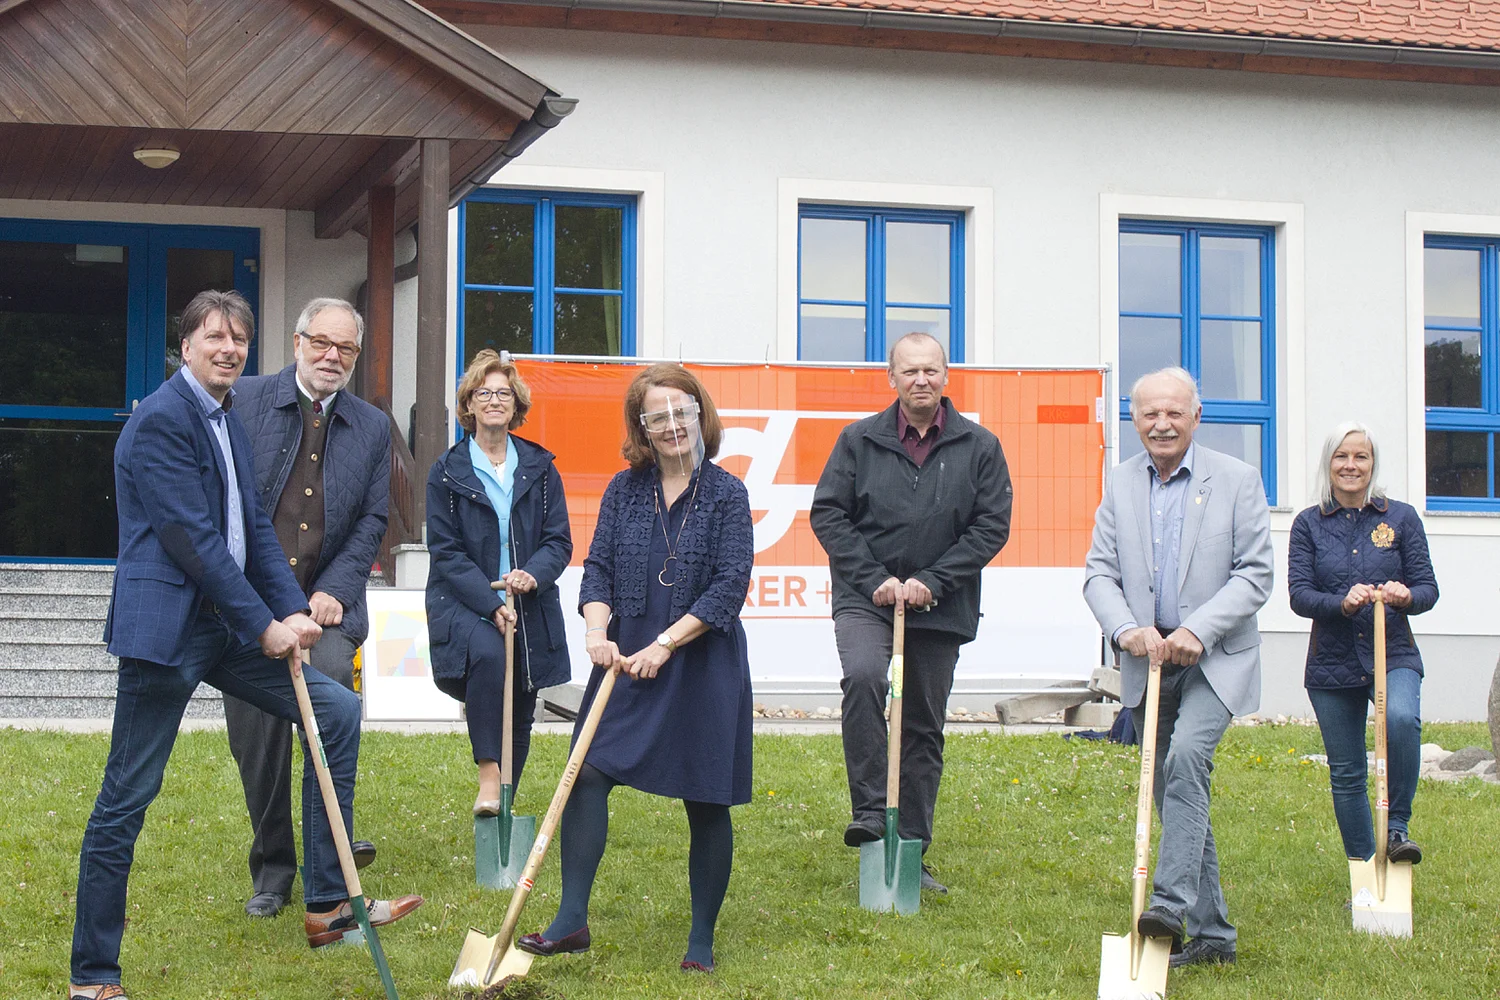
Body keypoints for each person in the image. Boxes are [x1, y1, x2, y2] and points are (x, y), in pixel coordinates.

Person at [69, 291, 420, 1000]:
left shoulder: (225, 416)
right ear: (186, 346)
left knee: (337, 712)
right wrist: (265, 626)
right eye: (214, 337)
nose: (228, 349)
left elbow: (255, 528)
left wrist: (291, 608)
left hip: (219, 629)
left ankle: (327, 905)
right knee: (127, 797)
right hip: (166, 633)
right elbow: (194, 541)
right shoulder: (161, 420)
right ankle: (93, 974)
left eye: (238, 339)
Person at [518, 363, 753, 973]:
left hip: (701, 664)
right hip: (624, 661)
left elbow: (729, 587)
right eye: (658, 416)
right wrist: (597, 632)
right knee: (587, 774)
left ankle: (700, 940)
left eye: (681, 411)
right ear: (642, 428)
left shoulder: (728, 493)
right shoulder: (624, 490)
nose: (672, 424)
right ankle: (571, 921)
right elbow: (597, 568)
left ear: (700, 415)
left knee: (706, 799)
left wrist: (665, 645)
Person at [1083, 365, 1273, 969]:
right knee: (1172, 788)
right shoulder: (1120, 483)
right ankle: (1214, 936)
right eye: (1149, 414)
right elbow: (1099, 573)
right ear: (1134, 420)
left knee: (1187, 758)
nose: (1161, 424)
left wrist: (1197, 630)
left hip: (1215, 657)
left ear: (1196, 416)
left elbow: (1254, 573)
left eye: (1173, 412)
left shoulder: (1237, 480)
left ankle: (1166, 906)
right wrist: (1126, 630)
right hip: (1150, 660)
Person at [810, 331, 1012, 895]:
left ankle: (911, 853)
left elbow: (991, 526)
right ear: (891, 377)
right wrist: (875, 579)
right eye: (909, 371)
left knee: (921, 725)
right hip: (865, 596)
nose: (921, 380)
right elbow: (829, 514)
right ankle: (872, 814)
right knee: (865, 677)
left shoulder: (980, 446)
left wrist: (933, 581)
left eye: (930, 370)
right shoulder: (858, 440)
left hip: (940, 604)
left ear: (946, 375)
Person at [220, 297, 392, 919]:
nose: (332, 356)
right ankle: (273, 869)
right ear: (297, 343)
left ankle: (331, 861)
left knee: (332, 707)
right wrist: (258, 606)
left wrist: (336, 591)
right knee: (259, 738)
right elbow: (228, 506)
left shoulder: (373, 427)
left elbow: (373, 518)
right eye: (321, 342)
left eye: (345, 348)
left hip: (328, 613)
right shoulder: (244, 402)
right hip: (251, 609)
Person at [425, 350, 573, 814]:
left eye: (503, 393)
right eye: (484, 393)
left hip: (529, 599)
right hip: (466, 600)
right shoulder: (446, 471)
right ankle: (489, 776)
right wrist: (491, 604)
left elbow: (558, 540)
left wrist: (534, 574)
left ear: (516, 404)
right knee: (491, 656)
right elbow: (445, 550)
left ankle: (503, 805)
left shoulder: (541, 467)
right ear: (469, 404)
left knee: (522, 703)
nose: (494, 401)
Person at [1288, 422, 1437, 865]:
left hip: (1393, 652)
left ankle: (1397, 828)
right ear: (1329, 463)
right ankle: (1364, 867)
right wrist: (1341, 602)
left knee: (1401, 719)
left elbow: (1427, 589)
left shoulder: (1401, 518)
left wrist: (1406, 596)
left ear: (1373, 464)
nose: (1350, 465)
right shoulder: (1308, 524)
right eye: (1342, 456)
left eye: (1360, 456)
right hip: (1330, 663)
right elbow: (1299, 596)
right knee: (1348, 771)